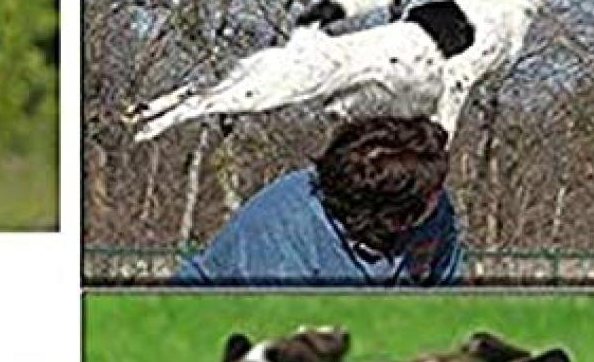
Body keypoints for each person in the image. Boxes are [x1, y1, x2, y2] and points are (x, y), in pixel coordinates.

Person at [174, 115, 463, 287]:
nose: (440, 198)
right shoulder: (280, 234)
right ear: (390, 216)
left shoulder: (432, 208)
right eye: (431, 194)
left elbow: (449, 297)